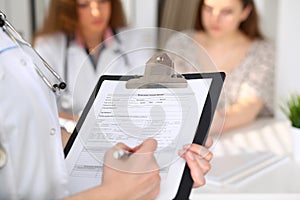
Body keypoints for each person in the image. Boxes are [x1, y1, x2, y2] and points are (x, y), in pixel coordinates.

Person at [0, 15, 213, 199]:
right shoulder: (44, 43)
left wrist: (157, 161)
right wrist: (114, 194)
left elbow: (41, 135)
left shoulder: (6, 33)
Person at [166, 0, 275, 133]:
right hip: (183, 139)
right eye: (208, 9)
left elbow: (249, 108)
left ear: (245, 12)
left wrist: (209, 125)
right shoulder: (180, 43)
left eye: (226, 12)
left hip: (242, 139)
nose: (214, 19)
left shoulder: (262, 51)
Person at [33, 0, 150, 122]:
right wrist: (80, 123)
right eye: (84, 4)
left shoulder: (133, 40)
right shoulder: (49, 47)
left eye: (103, 1)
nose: (96, 12)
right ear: (67, 9)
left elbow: (148, 93)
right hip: (69, 135)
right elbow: (38, 105)